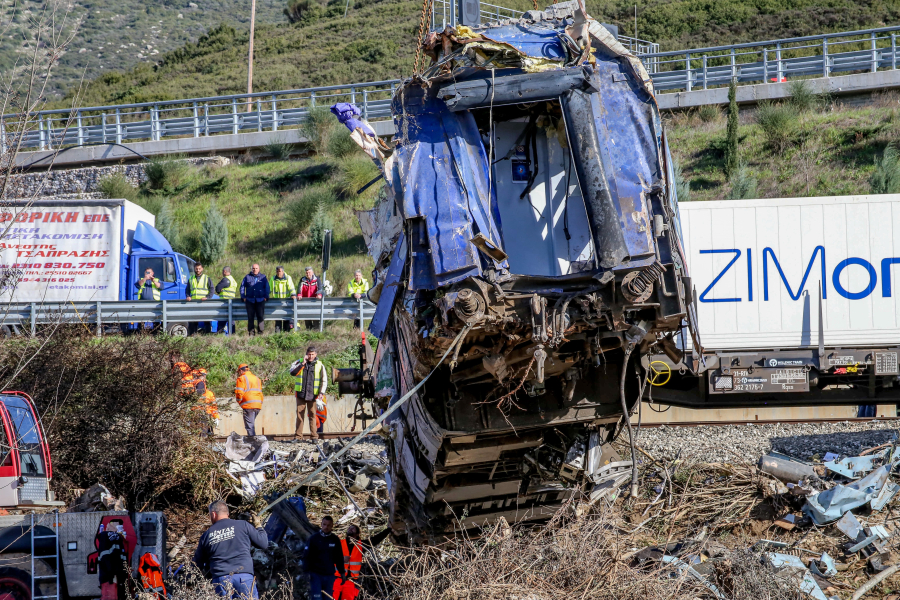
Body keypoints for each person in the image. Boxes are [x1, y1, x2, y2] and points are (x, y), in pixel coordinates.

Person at [192, 500, 267, 600]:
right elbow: (263, 543)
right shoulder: (243, 525)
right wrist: (258, 525)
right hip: (244, 576)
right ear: (227, 513)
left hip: (221, 580)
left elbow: (197, 564)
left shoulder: (206, 535)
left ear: (213, 514)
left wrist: (190, 582)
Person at [290, 346, 327, 441]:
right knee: (299, 416)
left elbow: (324, 380)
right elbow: (293, 372)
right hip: (301, 394)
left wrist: (321, 393)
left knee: (313, 416)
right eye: (309, 354)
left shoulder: (320, 365)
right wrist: (302, 364)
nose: (310, 356)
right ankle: (298, 437)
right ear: (306, 354)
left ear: (316, 354)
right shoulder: (299, 362)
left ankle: (314, 437)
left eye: (312, 354)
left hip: (313, 395)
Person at [303, 516, 344, 600]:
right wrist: (306, 572)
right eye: (324, 524)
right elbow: (306, 556)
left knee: (328, 598)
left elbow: (339, 557)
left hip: (329, 575)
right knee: (317, 597)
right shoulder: (314, 539)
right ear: (321, 524)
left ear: (332, 526)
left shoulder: (335, 540)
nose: (326, 527)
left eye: (329, 525)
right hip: (316, 575)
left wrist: (342, 572)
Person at [95, 518, 128, 600]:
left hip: (107, 576)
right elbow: (115, 557)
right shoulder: (116, 539)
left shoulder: (105, 539)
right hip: (112, 576)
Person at [332, 525, 364, 600]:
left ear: (357, 533)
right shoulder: (339, 543)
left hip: (351, 580)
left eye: (353, 528)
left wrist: (389, 529)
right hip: (337, 578)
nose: (350, 529)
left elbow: (375, 539)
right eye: (349, 528)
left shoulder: (362, 545)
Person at [234, 363, 264, 436]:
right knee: (251, 425)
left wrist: (239, 401)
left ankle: (253, 443)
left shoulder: (241, 378)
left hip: (248, 405)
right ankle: (253, 441)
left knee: (250, 426)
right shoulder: (257, 378)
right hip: (258, 405)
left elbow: (239, 393)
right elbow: (260, 392)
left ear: (241, 370)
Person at [240, 264, 270, 335]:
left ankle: (261, 332)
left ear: (259, 269)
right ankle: (251, 333)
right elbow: (242, 287)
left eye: (256, 268)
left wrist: (266, 296)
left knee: (260, 316)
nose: (255, 270)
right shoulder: (247, 277)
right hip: (250, 300)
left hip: (260, 300)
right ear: (251, 269)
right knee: (250, 317)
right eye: (253, 268)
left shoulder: (263, 277)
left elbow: (267, 287)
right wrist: (243, 296)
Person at [187, 262, 215, 335]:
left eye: (199, 269)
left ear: (202, 269)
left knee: (206, 319)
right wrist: (188, 296)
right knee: (193, 320)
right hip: (194, 302)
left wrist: (208, 297)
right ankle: (193, 335)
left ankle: (207, 335)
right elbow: (187, 290)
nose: (198, 270)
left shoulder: (206, 278)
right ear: (194, 269)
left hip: (204, 302)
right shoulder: (191, 279)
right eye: (196, 269)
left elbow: (212, 289)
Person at [271, 266, 297, 333]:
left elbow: (291, 288)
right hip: (277, 303)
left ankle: (286, 334)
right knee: (278, 321)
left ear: (283, 271)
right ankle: (278, 335)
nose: (278, 273)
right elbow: (269, 288)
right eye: (277, 271)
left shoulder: (288, 278)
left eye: (279, 271)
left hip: (286, 302)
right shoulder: (273, 279)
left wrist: (293, 294)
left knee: (286, 319)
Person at [216, 266, 239, 335]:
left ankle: (219, 335)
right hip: (232, 303)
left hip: (224, 303)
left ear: (225, 271)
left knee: (222, 320)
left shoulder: (225, 279)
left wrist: (221, 290)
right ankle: (232, 336)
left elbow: (217, 288)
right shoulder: (233, 280)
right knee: (231, 321)